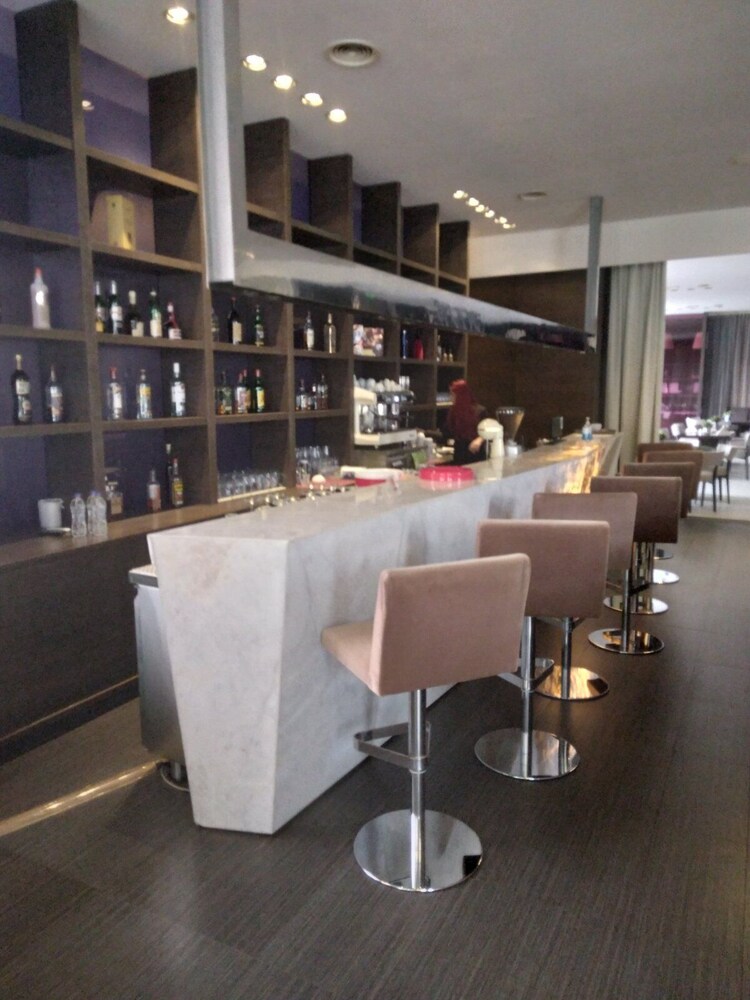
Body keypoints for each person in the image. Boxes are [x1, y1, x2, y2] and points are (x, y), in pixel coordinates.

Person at [445, 379, 487, 465]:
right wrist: (425, 432)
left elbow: (490, 430)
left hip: (476, 454)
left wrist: (479, 439)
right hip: (460, 454)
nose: (451, 398)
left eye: (453, 395)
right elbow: (446, 433)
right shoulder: (453, 412)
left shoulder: (480, 411)